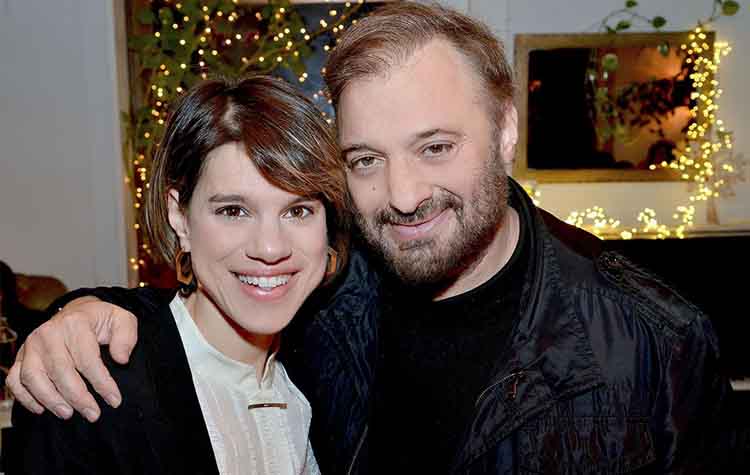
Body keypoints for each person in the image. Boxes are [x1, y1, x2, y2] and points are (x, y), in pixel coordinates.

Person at [7, 3, 730, 473]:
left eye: (436, 147)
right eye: (365, 160)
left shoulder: (652, 341)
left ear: (505, 129)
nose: (404, 195)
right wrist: (83, 313)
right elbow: (211, 315)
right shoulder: (331, 295)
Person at [7, 75, 353, 474]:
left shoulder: (332, 369)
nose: (270, 248)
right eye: (233, 211)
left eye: (298, 211)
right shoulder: (87, 384)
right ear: (180, 216)